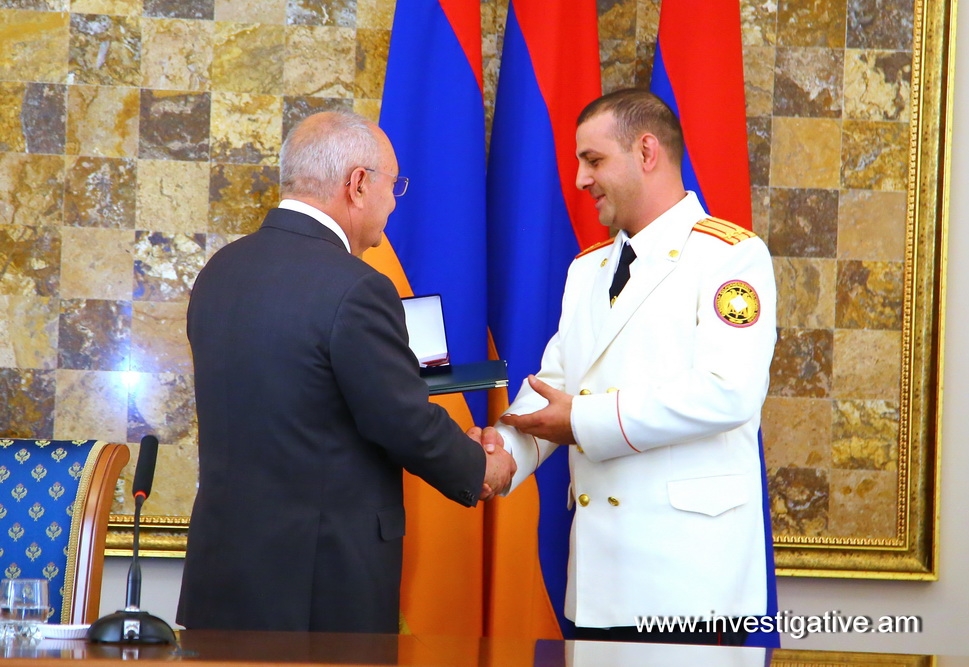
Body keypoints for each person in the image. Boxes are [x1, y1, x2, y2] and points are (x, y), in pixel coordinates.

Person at [177, 111, 515, 633]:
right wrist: (480, 467)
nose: (394, 203)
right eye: (393, 185)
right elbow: (401, 420)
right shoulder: (357, 287)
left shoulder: (219, 272)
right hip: (319, 589)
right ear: (357, 184)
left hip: (220, 578)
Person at [491, 89, 777, 645]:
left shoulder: (730, 256)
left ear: (646, 152)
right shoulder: (588, 269)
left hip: (690, 584)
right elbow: (557, 385)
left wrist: (582, 421)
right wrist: (502, 454)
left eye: (593, 160)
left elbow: (728, 392)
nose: (580, 179)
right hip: (600, 578)